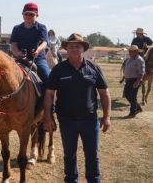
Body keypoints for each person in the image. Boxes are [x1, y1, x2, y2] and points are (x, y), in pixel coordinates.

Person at [43, 33, 111, 183]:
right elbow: (49, 94)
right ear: (66, 48)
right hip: (66, 120)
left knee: (92, 155)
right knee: (69, 154)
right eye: (71, 46)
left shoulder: (94, 68)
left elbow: (104, 93)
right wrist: (47, 117)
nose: (74, 48)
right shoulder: (58, 69)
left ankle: (94, 180)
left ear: (83, 48)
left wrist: (106, 117)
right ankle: (71, 180)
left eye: (77, 46)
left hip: (90, 120)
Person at [10, 2, 51, 84]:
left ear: (37, 15)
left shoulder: (41, 28)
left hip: (37, 59)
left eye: (31, 15)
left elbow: (44, 42)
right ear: (22, 14)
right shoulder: (16, 28)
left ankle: (47, 96)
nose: (28, 16)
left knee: (47, 77)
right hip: (20, 58)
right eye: (26, 14)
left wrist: (38, 50)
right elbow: (13, 44)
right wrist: (18, 53)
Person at [122, 45, 145, 118]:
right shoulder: (129, 59)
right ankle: (138, 108)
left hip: (135, 79)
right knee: (126, 94)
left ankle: (132, 113)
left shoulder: (139, 60)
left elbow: (141, 72)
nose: (129, 52)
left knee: (133, 96)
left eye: (131, 51)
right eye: (129, 51)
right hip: (129, 80)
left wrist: (137, 81)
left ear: (136, 52)